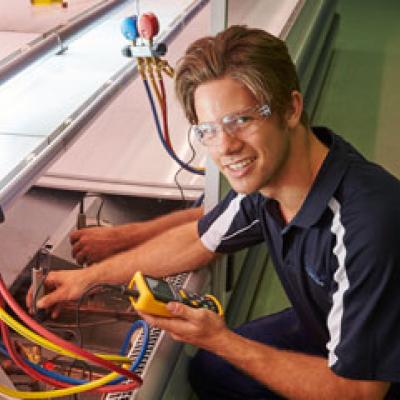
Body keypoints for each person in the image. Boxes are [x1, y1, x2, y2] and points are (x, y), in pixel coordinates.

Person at [27, 25, 400, 399]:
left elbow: (360, 392)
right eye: (207, 130)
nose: (225, 147)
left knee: (223, 357)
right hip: (329, 325)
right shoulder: (267, 183)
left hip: (377, 377)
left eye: (242, 120)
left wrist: (219, 339)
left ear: (291, 108)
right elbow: (198, 239)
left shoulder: (364, 224)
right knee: (212, 372)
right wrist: (89, 278)